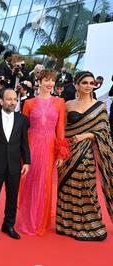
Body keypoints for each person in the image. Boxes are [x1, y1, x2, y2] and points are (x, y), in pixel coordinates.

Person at [57, 71, 113, 241]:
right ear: (76, 85)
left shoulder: (100, 107)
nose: (89, 86)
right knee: (67, 186)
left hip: (86, 151)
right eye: (85, 83)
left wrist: (85, 135)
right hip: (68, 152)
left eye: (91, 83)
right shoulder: (67, 105)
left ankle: (90, 225)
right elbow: (61, 129)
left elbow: (104, 133)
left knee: (85, 184)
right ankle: (66, 225)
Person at [17, 69, 69, 236]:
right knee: (30, 181)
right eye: (46, 79)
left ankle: (40, 220)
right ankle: (27, 219)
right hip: (32, 145)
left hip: (49, 146)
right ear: (39, 81)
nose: (49, 83)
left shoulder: (60, 102)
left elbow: (60, 129)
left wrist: (61, 152)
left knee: (44, 182)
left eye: (52, 80)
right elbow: (23, 130)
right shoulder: (29, 103)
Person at [0, 88, 31, 240]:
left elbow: (24, 142)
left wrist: (27, 162)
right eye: (9, 99)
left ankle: (8, 225)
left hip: (14, 164)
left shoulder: (22, 119)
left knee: (12, 197)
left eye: (15, 100)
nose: (13, 102)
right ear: (1, 101)